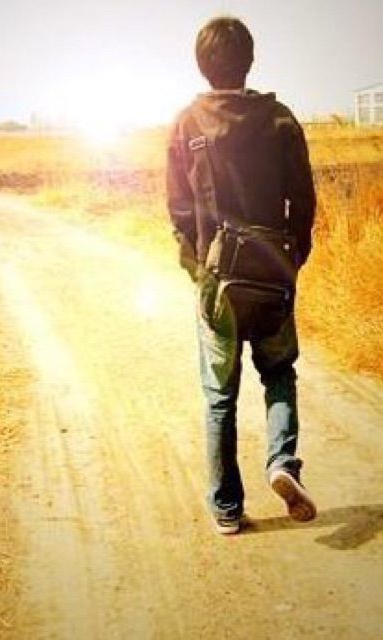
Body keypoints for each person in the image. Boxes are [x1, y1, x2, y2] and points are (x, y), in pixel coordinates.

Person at [166, 16, 317, 534]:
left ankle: (228, 509)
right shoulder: (280, 119)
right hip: (273, 275)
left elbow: (178, 210)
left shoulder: (187, 124)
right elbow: (303, 201)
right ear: (250, 60)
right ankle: (282, 461)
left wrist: (198, 269)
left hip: (218, 279)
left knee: (219, 396)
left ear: (201, 65)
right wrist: (292, 261)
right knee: (278, 374)